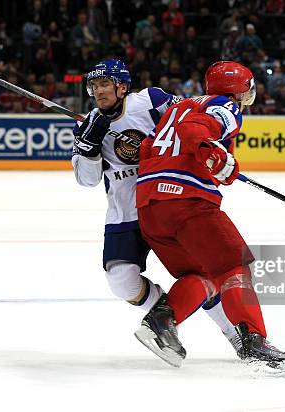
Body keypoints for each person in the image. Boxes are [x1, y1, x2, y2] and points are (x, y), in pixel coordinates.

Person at [70, 59, 243, 356]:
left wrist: (206, 150)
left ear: (122, 86)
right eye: (94, 85)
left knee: (199, 275)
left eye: (104, 83)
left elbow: (185, 118)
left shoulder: (151, 101)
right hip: (125, 213)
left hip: (166, 200)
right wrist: (88, 148)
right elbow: (87, 181)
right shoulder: (85, 125)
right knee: (121, 282)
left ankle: (233, 333)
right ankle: (167, 315)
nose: (98, 90)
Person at [134, 61, 285, 373]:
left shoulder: (179, 106)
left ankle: (161, 322)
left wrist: (220, 162)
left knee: (206, 275)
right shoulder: (224, 106)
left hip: (150, 208)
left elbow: (147, 148)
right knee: (234, 265)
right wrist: (214, 153)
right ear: (237, 92)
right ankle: (255, 341)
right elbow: (195, 132)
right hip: (187, 204)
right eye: (246, 91)